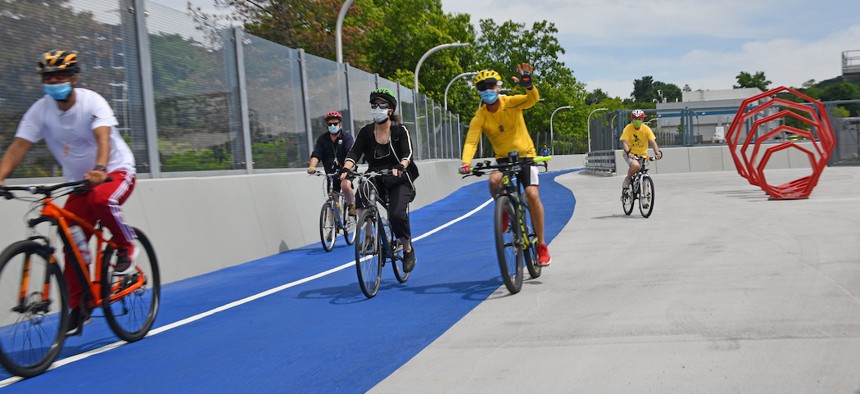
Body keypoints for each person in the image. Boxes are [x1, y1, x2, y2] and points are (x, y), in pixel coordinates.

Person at [0, 50, 138, 335]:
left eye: (60, 76)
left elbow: (102, 135)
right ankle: (80, 306)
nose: (54, 81)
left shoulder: (91, 101)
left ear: (74, 78)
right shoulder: (40, 110)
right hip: (78, 183)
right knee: (73, 244)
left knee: (103, 199)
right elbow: (18, 147)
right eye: (48, 77)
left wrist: (101, 168)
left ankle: (126, 245)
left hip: (115, 171)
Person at [457, 64, 552, 266]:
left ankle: (542, 245)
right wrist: (466, 162)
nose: (487, 90)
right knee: (494, 181)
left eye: (491, 86)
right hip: (504, 160)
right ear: (479, 92)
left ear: (498, 87)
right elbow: (472, 141)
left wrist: (528, 84)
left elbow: (531, 99)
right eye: (483, 87)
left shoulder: (511, 103)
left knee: (532, 195)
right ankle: (506, 211)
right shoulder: (480, 116)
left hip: (526, 156)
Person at [340, 88, 418, 272]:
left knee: (396, 215)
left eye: (381, 105)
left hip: (399, 178)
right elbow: (354, 153)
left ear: (390, 109)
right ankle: (369, 237)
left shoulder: (400, 130)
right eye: (373, 105)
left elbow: (408, 153)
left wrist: (401, 165)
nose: (376, 108)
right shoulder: (366, 132)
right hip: (376, 175)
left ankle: (408, 249)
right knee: (362, 193)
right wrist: (346, 168)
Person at [307, 110, 356, 215]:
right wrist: (312, 166)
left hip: (346, 170)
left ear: (340, 125)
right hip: (331, 173)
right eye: (330, 124)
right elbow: (316, 154)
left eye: (335, 124)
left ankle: (352, 205)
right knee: (333, 199)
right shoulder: (322, 140)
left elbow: (350, 153)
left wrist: (348, 168)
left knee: (345, 185)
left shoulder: (347, 137)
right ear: (327, 126)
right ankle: (333, 227)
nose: (332, 126)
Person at [619, 109, 662, 191]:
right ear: (632, 119)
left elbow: (653, 141)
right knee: (636, 166)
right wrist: (628, 153)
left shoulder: (646, 129)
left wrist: (657, 153)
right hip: (630, 153)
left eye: (639, 119)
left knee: (643, 174)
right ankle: (628, 179)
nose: (637, 121)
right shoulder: (628, 128)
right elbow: (624, 143)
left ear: (642, 119)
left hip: (642, 155)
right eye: (635, 119)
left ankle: (644, 199)